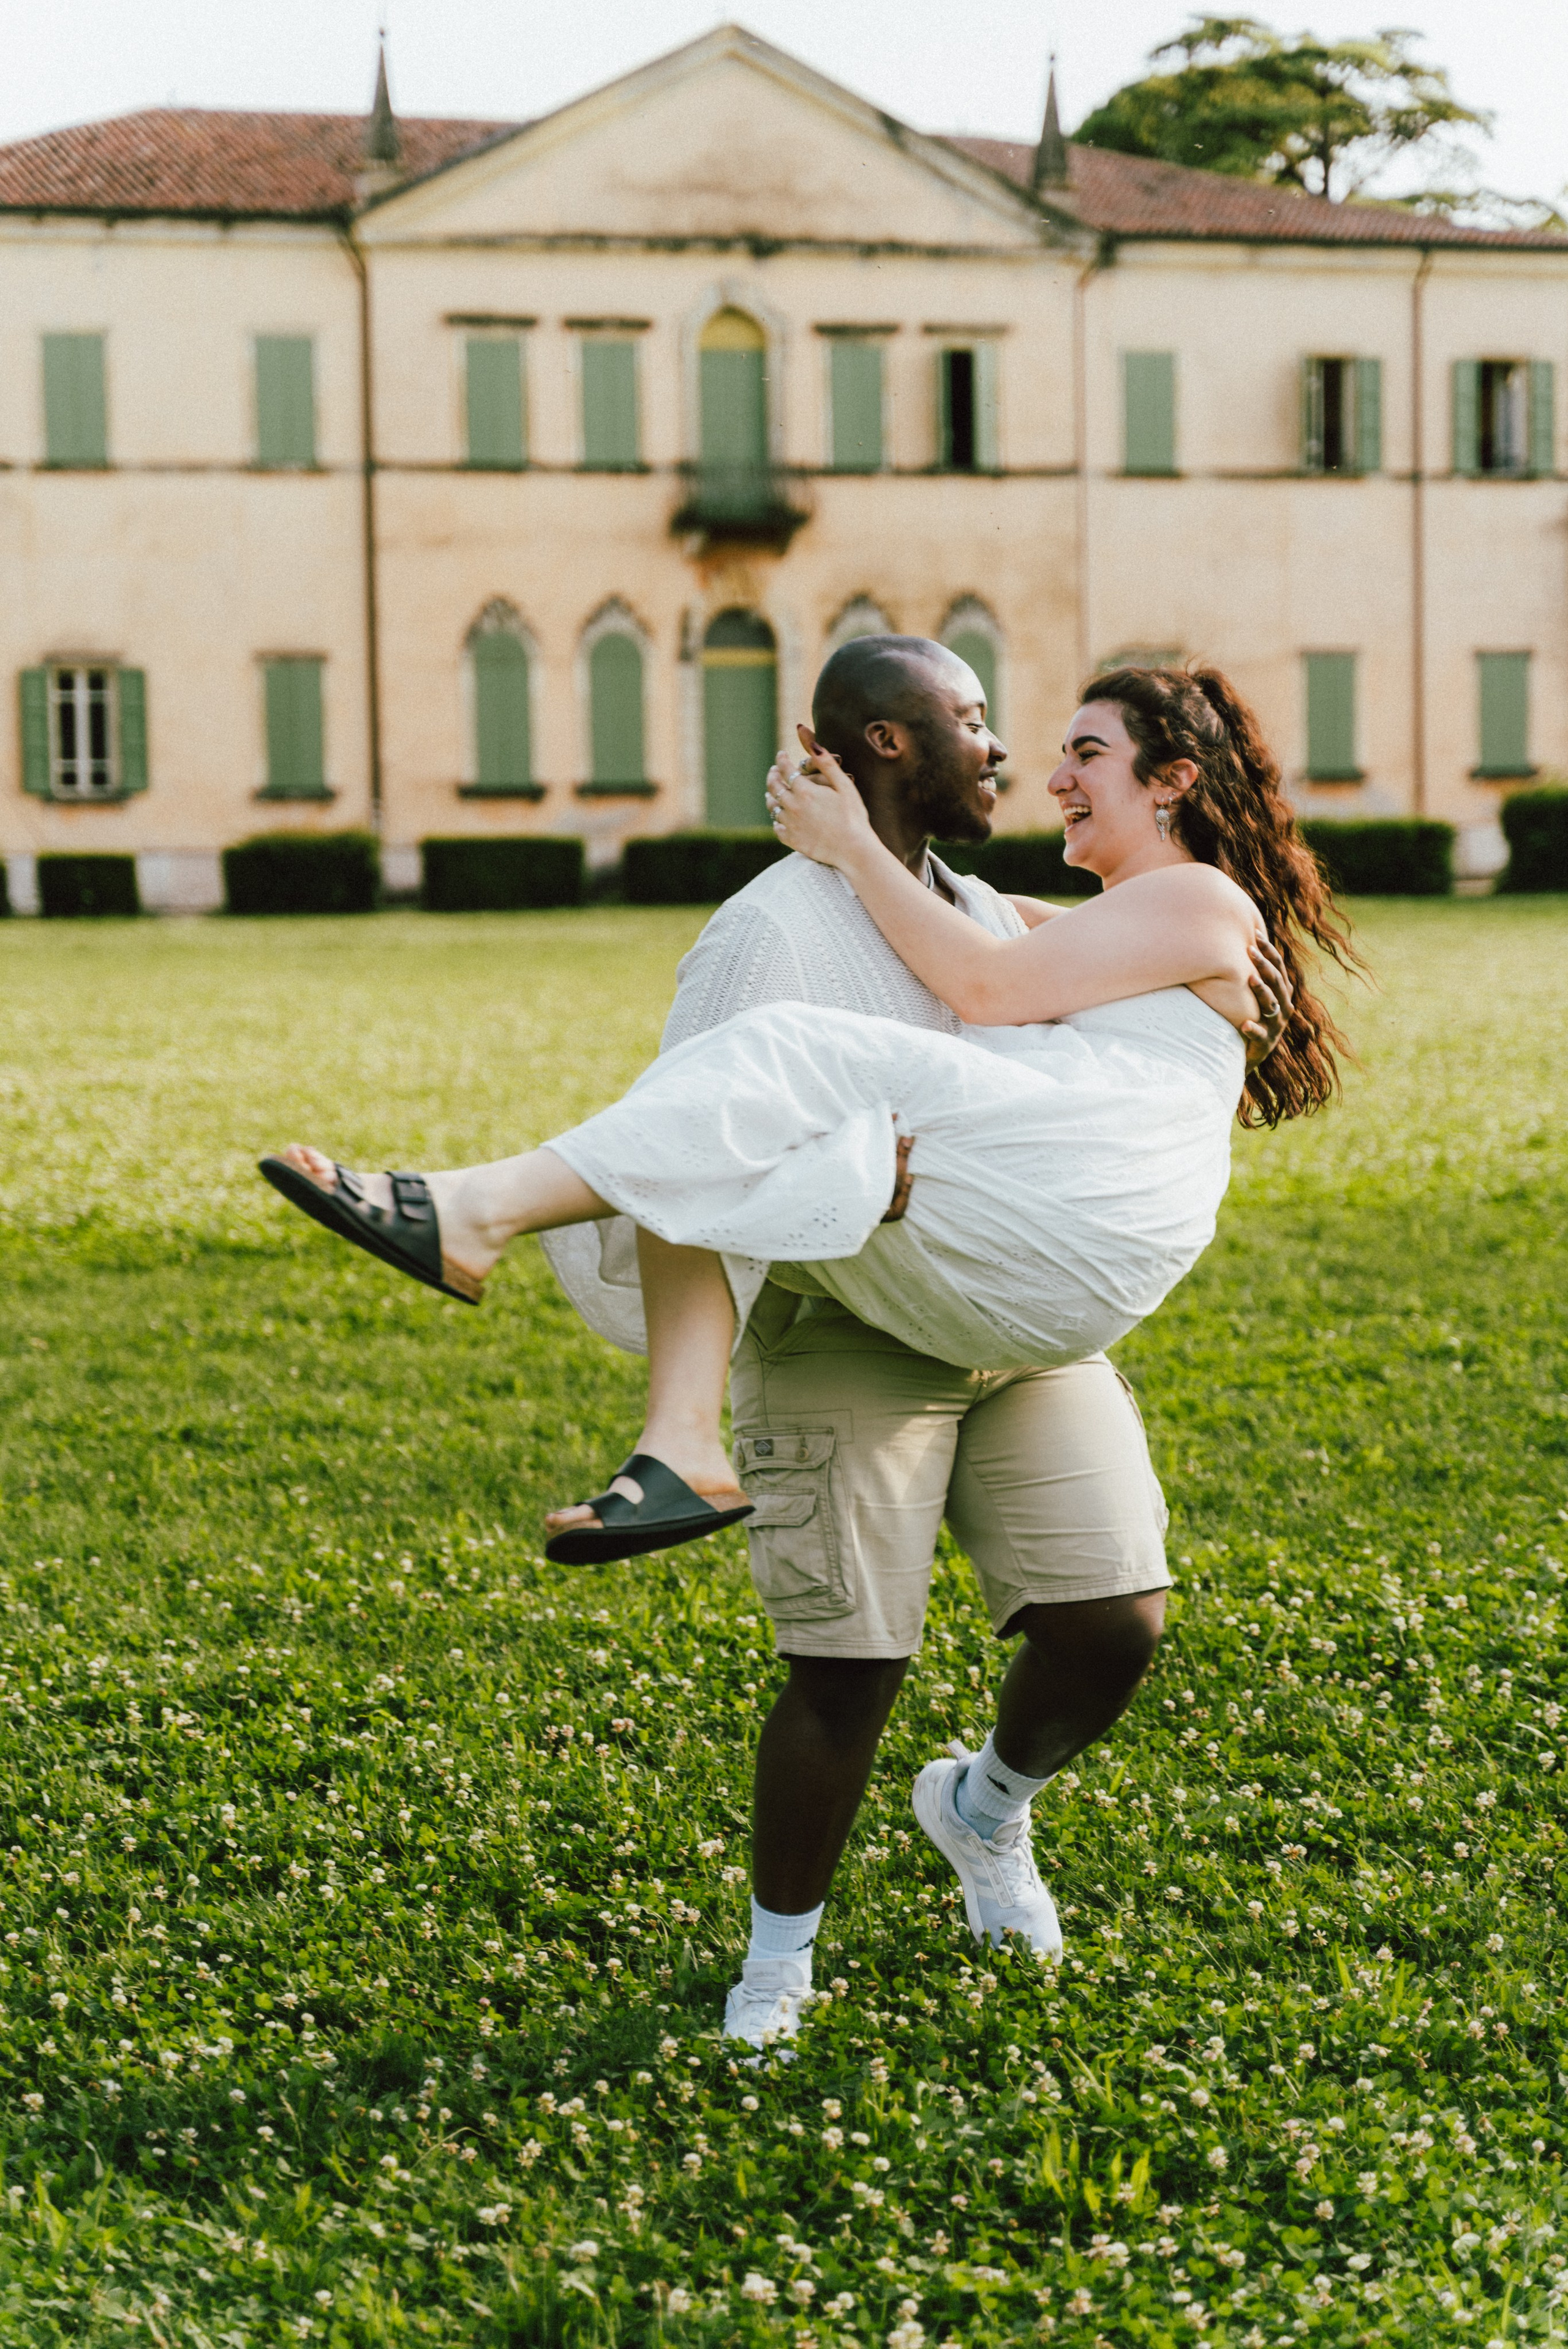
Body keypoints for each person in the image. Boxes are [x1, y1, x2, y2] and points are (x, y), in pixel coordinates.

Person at [262, 654, 1343, 2043]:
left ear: (1173, 782)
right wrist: (844, 856)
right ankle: (775, 1963)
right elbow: (985, 946)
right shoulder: (1062, 915)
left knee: (1109, 1623)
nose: (1038, 768)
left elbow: (988, 986)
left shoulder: (1183, 900)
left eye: (1084, 750)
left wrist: (843, 837)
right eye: (1001, 734)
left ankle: (978, 1809)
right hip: (895, 1301)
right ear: (892, 743)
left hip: (1041, 1270)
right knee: (848, 1656)